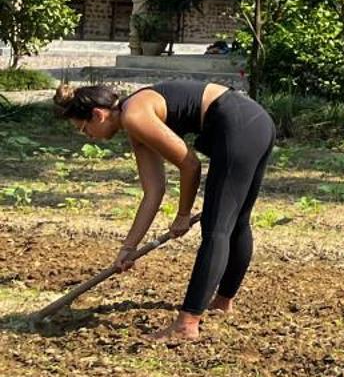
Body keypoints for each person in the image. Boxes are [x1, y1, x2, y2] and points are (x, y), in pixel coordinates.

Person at [54, 80, 277, 344]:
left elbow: (190, 165)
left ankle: (187, 323)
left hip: (237, 123)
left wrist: (183, 214)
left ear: (97, 115)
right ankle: (222, 303)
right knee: (235, 223)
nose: (88, 136)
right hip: (254, 122)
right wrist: (128, 247)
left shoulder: (135, 115)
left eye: (84, 129)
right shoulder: (135, 120)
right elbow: (153, 192)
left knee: (217, 229)